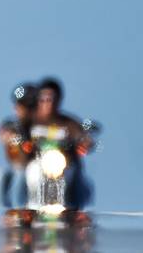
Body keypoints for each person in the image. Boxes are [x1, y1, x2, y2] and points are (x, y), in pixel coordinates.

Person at [31, 77, 95, 210]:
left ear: (59, 100)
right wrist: (13, 135)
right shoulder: (30, 121)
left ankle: (76, 212)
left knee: (77, 183)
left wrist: (85, 141)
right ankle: (18, 207)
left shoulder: (69, 123)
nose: (48, 103)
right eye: (44, 99)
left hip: (64, 164)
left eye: (52, 99)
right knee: (19, 178)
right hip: (36, 163)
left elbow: (81, 135)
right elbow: (14, 127)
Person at [0, 83, 37, 209]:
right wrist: (12, 138)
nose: (19, 108)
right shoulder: (12, 124)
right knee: (1, 174)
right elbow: (2, 133)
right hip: (18, 167)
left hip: (40, 168)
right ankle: (4, 208)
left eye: (26, 105)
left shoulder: (42, 126)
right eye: (18, 104)